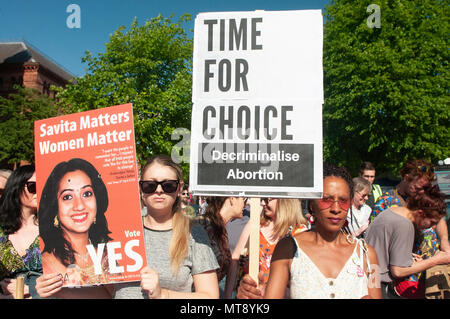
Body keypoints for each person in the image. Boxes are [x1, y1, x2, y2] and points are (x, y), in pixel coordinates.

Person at [239, 164, 381, 299]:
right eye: (326, 199)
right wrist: (255, 294)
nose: (336, 209)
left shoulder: (367, 255)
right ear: (312, 204)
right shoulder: (288, 250)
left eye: (343, 200)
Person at [113, 154, 219, 299]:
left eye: (168, 185)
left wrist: (163, 295)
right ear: (140, 188)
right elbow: (106, 289)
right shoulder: (120, 230)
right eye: (150, 185)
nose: (159, 190)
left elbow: (210, 296)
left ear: (179, 188)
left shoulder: (194, 233)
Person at [369, 159, 450, 298]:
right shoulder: (386, 203)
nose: (423, 192)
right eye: (419, 188)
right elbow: (382, 244)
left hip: (425, 274)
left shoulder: (421, 198)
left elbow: (437, 217)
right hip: (403, 281)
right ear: (406, 178)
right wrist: (406, 256)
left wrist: (444, 241)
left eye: (426, 188)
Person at [38, 158, 114, 287]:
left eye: (87, 194)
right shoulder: (46, 263)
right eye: (67, 197)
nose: (79, 206)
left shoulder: (110, 253)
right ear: (54, 207)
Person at [226, 197, 308, 299]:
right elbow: (235, 259)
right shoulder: (255, 225)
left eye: (269, 199)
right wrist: (228, 295)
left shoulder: (299, 232)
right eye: (263, 199)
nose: (263, 203)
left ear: (285, 201)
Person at [0, 165, 41, 299]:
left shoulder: (53, 229)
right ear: (16, 189)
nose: (39, 192)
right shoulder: (1, 233)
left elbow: (71, 275)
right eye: (33, 187)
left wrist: (32, 290)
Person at [196, 196, 246, 297]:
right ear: (232, 199)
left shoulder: (221, 231)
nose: (244, 204)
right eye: (242, 198)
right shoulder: (203, 226)